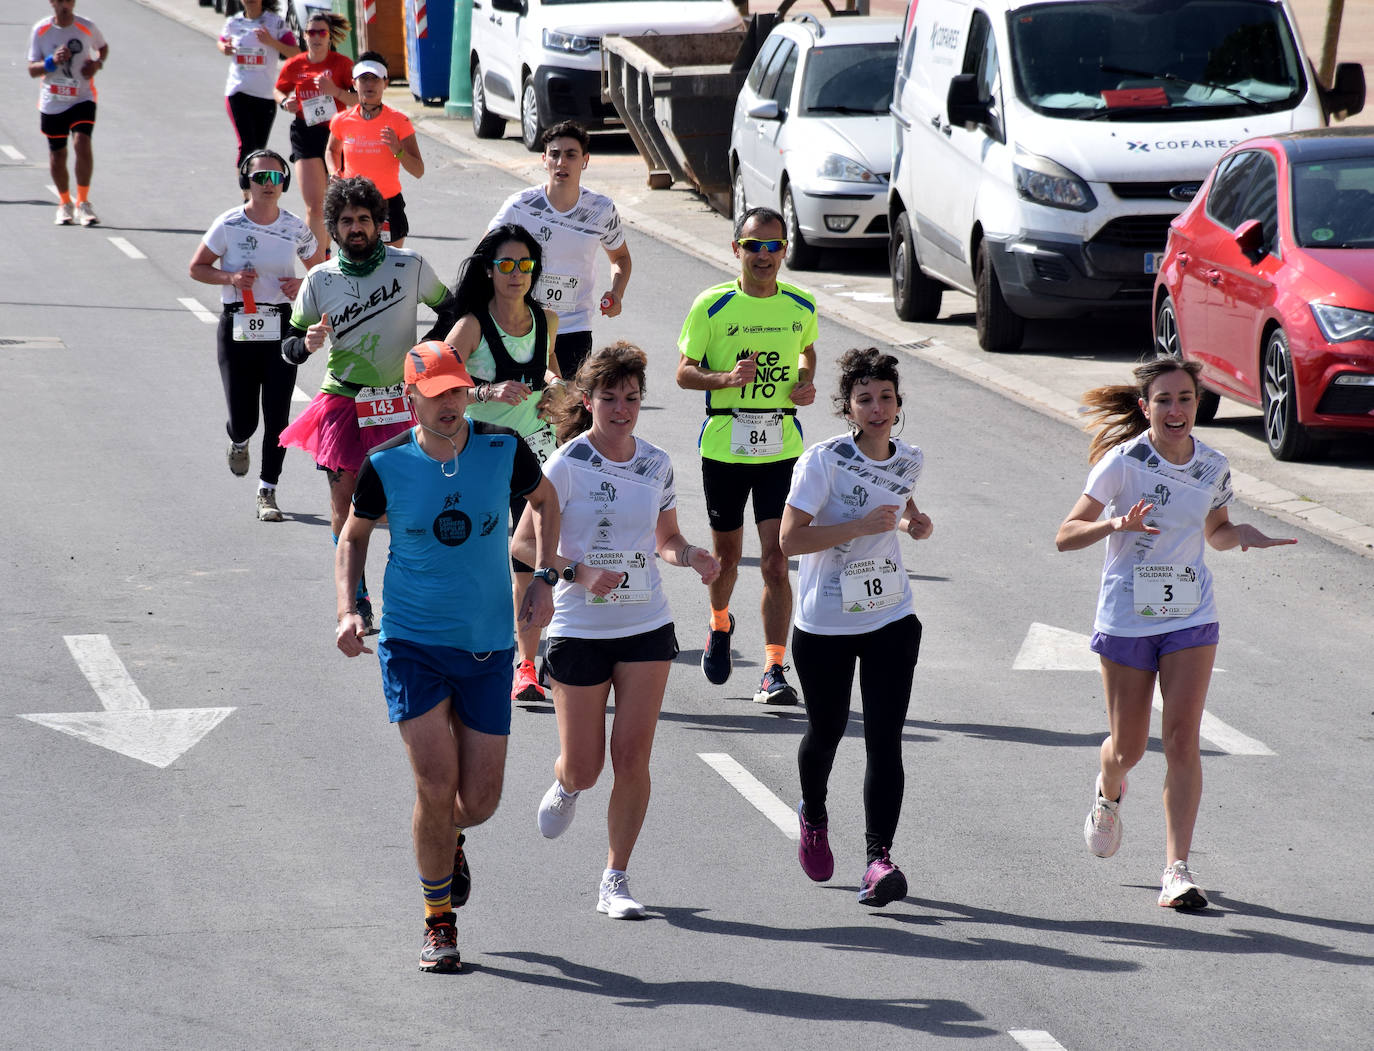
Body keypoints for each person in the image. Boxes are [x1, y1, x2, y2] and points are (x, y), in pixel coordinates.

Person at [335, 340, 561, 972]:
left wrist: (544, 578)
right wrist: (349, 609)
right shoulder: (386, 464)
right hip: (413, 643)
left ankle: (450, 835)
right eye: (435, 396)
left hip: (488, 645)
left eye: (457, 390)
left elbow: (544, 503)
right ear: (411, 398)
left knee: (479, 800)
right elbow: (352, 538)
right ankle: (439, 921)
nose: (449, 405)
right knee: (435, 785)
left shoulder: (503, 448)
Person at [1055, 358, 1295, 910]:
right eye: (1163, 400)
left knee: (1183, 739)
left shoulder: (1213, 465)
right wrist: (1117, 523)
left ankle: (1176, 870)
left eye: (1185, 399)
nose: (1176, 409)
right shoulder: (1122, 463)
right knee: (1131, 748)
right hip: (1126, 618)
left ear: (1197, 405)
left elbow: (1215, 532)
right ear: (1146, 408)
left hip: (1190, 614)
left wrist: (1242, 537)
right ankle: (1108, 787)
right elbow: (1065, 536)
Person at [513, 342, 720, 919]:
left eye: (632, 399)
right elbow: (526, 544)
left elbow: (666, 540)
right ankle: (567, 784)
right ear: (588, 400)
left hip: (645, 622)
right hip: (579, 627)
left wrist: (693, 555)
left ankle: (615, 877)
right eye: (611, 398)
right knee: (586, 764)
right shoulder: (567, 464)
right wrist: (577, 572)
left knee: (633, 757)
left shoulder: (656, 463)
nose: (622, 409)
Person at [779, 348, 932, 909]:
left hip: (890, 612)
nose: (876, 407)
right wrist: (857, 525)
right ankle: (813, 815)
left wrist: (915, 520)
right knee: (827, 730)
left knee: (885, 740)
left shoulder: (909, 457)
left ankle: (878, 859)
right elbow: (790, 540)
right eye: (864, 399)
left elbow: (899, 495)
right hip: (825, 621)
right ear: (847, 407)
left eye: (885, 397)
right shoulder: (822, 461)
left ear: (898, 403)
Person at [280, 176, 449, 628]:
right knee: (344, 503)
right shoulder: (320, 279)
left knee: (411, 503)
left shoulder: (410, 265)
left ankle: (413, 590)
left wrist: (422, 355)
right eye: (347, 221)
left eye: (364, 220)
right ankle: (355, 597)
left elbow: (451, 311)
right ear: (333, 229)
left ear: (380, 223)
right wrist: (308, 342)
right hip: (343, 400)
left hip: (399, 401)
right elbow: (289, 345)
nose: (356, 227)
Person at [675, 206, 818, 705]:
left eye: (773, 245)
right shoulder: (711, 306)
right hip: (726, 445)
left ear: (784, 250)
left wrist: (804, 380)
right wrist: (726, 379)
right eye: (753, 245)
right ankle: (719, 622)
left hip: (782, 445)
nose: (764, 255)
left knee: (777, 561)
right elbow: (684, 372)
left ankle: (774, 669)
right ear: (736, 249)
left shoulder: (800, 303)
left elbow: (807, 350)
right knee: (727, 558)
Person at [439, 224, 562, 705]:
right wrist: (487, 391)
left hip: (534, 448)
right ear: (489, 271)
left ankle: (526, 666)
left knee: (526, 559)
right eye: (506, 265)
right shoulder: (470, 325)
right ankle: (465, 642)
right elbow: (439, 386)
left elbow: (547, 365)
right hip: (480, 452)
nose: (516, 274)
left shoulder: (546, 318)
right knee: (477, 554)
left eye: (524, 265)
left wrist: (555, 384)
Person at [189, 149, 324, 522]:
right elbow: (197, 267)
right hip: (238, 324)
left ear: (284, 183)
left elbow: (320, 271)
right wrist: (229, 278)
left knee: (278, 414)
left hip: (280, 323)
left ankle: (268, 490)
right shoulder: (229, 223)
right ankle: (239, 439)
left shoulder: (295, 226)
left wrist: (301, 282)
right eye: (260, 177)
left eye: (276, 177)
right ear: (245, 182)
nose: (269, 184)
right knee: (244, 416)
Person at [489, 121, 631, 378]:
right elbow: (483, 256)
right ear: (544, 160)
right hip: (522, 325)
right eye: (554, 154)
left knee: (569, 412)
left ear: (585, 161)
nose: (561, 162)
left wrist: (617, 292)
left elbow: (620, 257)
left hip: (574, 327)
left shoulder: (600, 210)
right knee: (528, 409)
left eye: (571, 155)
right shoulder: (520, 207)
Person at [274, 11, 355, 250]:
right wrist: (283, 101)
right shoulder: (295, 65)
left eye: (322, 32)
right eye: (311, 32)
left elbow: (358, 100)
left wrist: (336, 92)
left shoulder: (342, 65)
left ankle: (331, 253)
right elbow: (278, 89)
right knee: (314, 205)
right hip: (305, 134)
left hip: (336, 135)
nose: (316, 37)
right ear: (304, 35)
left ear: (330, 37)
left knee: (335, 202)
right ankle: (318, 260)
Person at [326, 53, 423, 249]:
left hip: (387, 203)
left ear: (385, 83)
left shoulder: (399, 121)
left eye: (375, 79)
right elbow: (331, 150)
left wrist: (398, 150)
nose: (369, 85)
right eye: (364, 79)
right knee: (354, 266)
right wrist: (334, 172)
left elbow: (418, 170)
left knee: (390, 266)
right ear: (354, 83)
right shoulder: (342, 120)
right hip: (351, 204)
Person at [27, 0, 108, 227]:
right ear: (52, 3)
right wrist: (52, 61)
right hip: (53, 100)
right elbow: (32, 69)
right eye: (60, 0)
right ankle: (64, 203)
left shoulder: (86, 27)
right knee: (58, 154)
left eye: (69, 0)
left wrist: (97, 64)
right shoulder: (41, 31)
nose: (65, 5)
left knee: (82, 143)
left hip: (82, 97)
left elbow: (102, 47)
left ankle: (83, 202)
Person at [217, 0, 297, 173]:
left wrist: (271, 41)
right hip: (238, 91)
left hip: (265, 96)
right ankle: (247, 192)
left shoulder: (275, 23)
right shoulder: (233, 22)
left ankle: (254, 192)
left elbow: (295, 52)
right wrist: (225, 48)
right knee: (247, 145)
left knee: (259, 150)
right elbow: (221, 42)